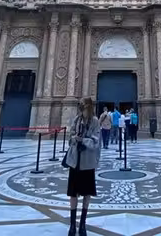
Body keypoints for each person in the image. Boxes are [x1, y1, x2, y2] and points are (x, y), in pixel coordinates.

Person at [66, 96, 100, 236]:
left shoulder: (95, 121)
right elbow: (70, 137)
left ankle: (83, 225)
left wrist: (83, 140)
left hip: (87, 163)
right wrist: (74, 138)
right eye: (80, 106)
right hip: (75, 161)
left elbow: (96, 142)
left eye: (83, 106)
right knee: (73, 193)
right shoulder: (76, 120)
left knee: (87, 193)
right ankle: (72, 225)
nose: (81, 108)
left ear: (89, 107)